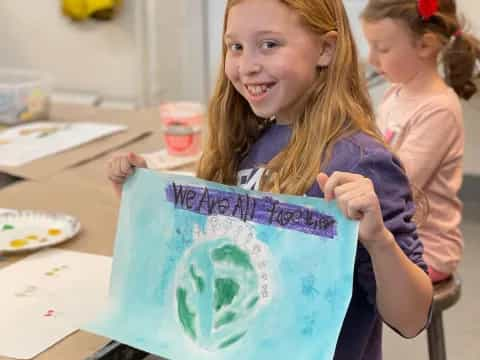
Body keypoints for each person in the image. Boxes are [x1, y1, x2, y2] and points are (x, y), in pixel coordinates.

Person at [107, 0, 432, 358]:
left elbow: (412, 317)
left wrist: (379, 240)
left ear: (326, 49)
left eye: (270, 45)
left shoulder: (360, 162)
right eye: (236, 47)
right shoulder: (247, 142)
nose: (247, 66)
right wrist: (143, 202)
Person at [361, 0, 480, 282]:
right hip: (394, 231)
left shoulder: (439, 110)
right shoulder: (396, 91)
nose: (373, 59)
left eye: (383, 48)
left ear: (425, 46)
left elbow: (398, 187)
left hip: (425, 249)